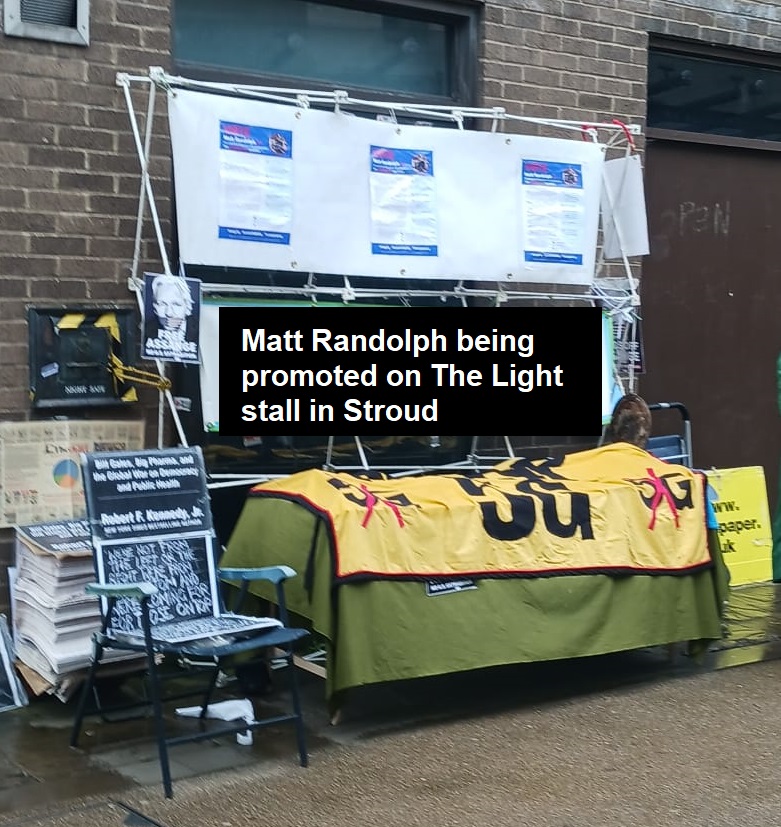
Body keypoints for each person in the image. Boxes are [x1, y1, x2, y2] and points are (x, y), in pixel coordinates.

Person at [144, 274, 198, 362]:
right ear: (155, 307)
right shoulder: (147, 331)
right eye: (162, 304)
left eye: (176, 304)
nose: (168, 313)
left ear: (188, 307)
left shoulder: (201, 331)